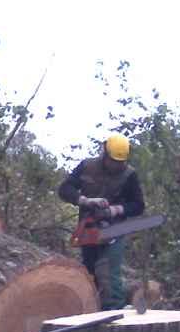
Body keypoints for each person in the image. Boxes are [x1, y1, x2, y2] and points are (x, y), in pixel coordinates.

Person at [58, 133, 145, 310]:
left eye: (120, 162)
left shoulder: (129, 175)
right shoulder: (87, 166)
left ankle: (114, 310)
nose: (116, 165)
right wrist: (85, 200)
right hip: (88, 225)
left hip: (115, 228)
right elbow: (65, 189)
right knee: (89, 271)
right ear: (104, 153)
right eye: (113, 161)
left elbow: (138, 205)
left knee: (109, 271)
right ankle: (91, 308)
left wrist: (115, 210)